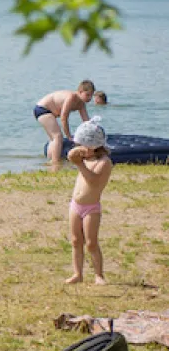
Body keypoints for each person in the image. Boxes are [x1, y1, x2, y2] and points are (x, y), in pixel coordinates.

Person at [65, 118, 113, 285]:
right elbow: (72, 156)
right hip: (75, 206)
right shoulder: (85, 158)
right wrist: (74, 157)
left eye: (85, 146)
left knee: (91, 243)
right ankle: (77, 274)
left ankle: (99, 275)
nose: (81, 149)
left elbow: (93, 181)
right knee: (75, 240)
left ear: (96, 146)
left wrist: (79, 165)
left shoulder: (104, 162)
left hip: (91, 208)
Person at [35, 80, 95, 165]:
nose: (89, 98)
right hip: (43, 109)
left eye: (91, 96)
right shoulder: (71, 97)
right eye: (87, 95)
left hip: (50, 112)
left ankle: (51, 159)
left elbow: (86, 121)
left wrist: (94, 133)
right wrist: (69, 136)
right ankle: (55, 163)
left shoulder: (81, 104)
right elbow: (64, 117)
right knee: (58, 136)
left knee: (54, 139)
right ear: (80, 92)